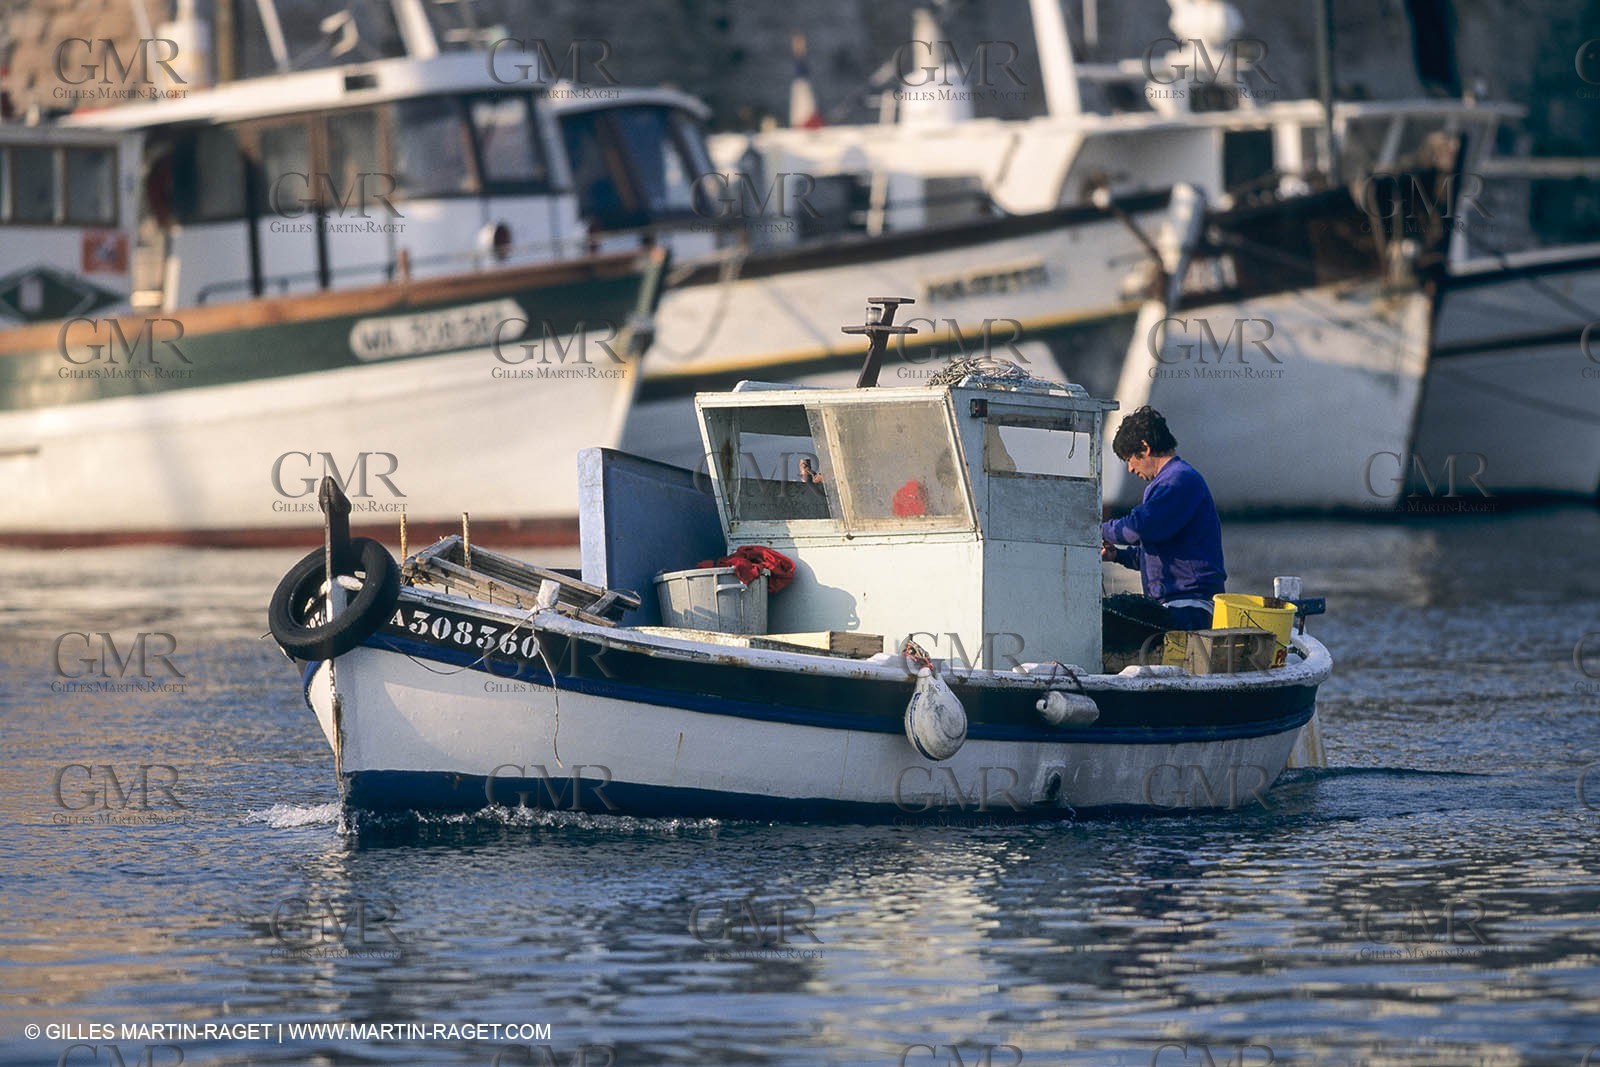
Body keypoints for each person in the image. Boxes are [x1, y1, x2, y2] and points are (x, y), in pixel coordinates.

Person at [1100, 406, 1226, 630]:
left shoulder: (1178, 481)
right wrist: (1116, 555)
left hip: (1191, 607)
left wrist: (1093, 529)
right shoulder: (1165, 484)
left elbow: (1136, 529)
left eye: (1129, 459)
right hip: (1173, 605)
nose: (1130, 468)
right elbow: (1156, 556)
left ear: (1145, 448)